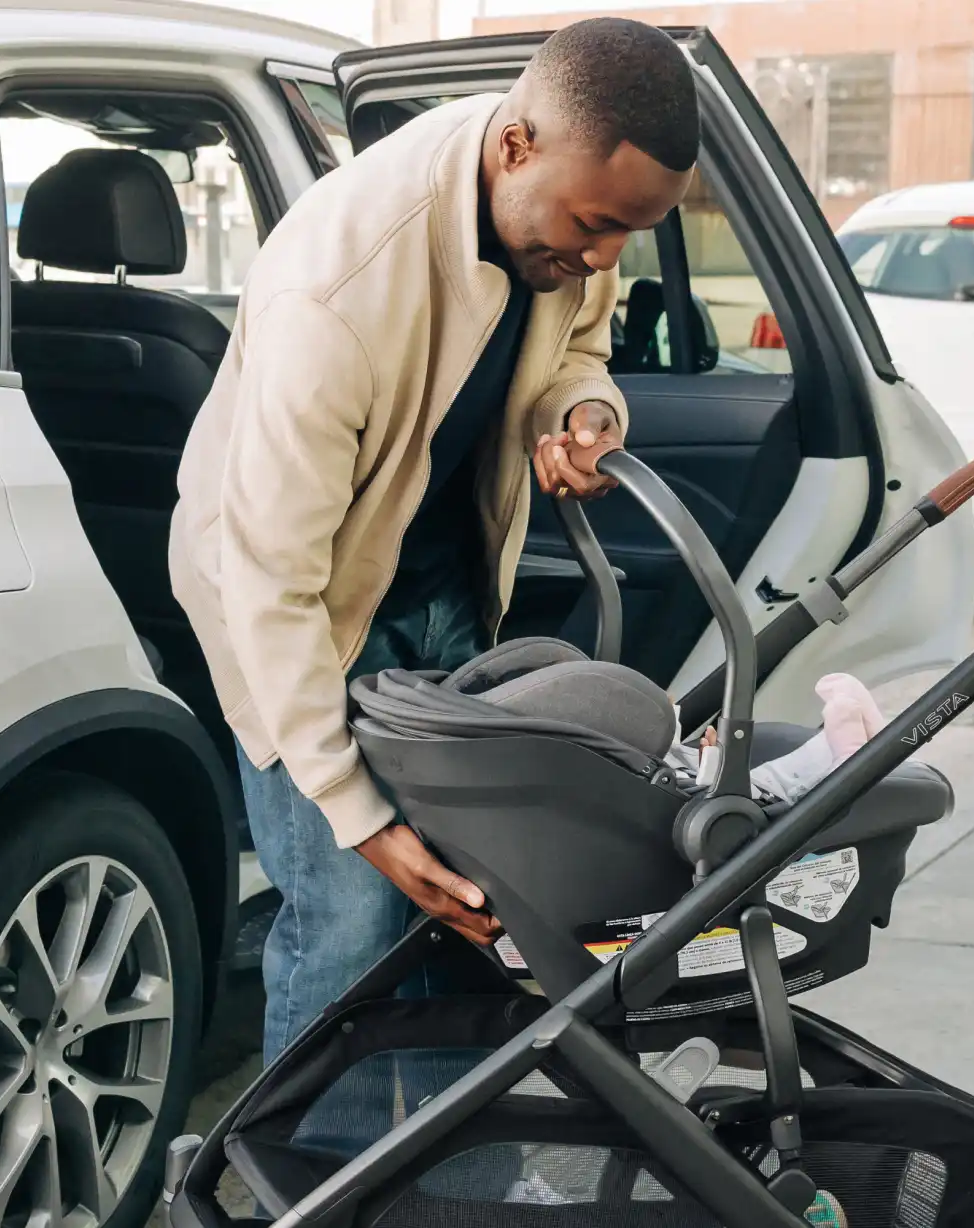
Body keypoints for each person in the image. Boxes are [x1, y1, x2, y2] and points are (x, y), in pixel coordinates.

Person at [169, 17, 702, 1066]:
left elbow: (577, 344)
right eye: (595, 226)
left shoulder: (553, 188)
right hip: (298, 608)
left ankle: (449, 1179)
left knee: (478, 904)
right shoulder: (334, 294)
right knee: (355, 926)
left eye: (624, 238)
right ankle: (318, 1191)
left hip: (439, 579)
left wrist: (584, 413)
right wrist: (356, 815)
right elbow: (265, 579)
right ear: (517, 149)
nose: (601, 258)